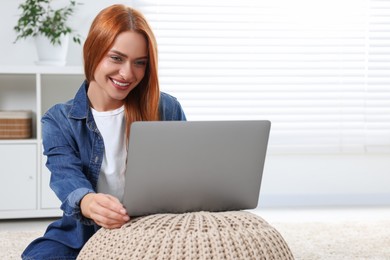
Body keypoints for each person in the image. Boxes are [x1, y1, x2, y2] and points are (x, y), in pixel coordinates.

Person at [22, 4, 186, 260]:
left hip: (151, 227)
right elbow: (65, 175)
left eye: (139, 63)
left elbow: (186, 175)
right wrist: (88, 203)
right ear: (93, 51)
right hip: (82, 232)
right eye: (116, 58)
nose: (127, 73)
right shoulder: (59, 119)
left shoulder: (167, 108)